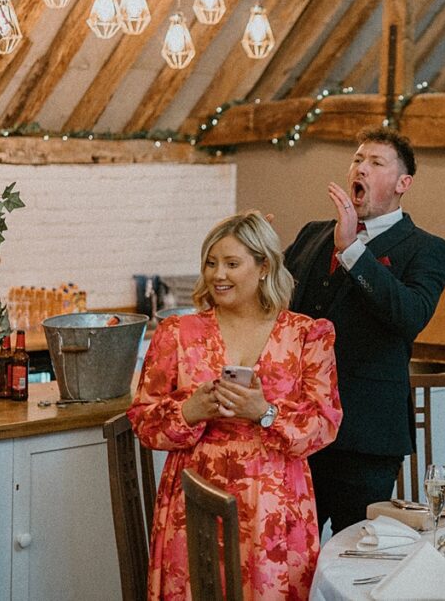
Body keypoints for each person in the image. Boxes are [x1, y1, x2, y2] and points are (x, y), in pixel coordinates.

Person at [128, 211, 342, 600]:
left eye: (231, 264)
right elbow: (143, 420)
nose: (218, 275)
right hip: (194, 499)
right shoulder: (177, 333)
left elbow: (324, 424)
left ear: (263, 267)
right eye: (211, 263)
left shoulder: (307, 334)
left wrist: (265, 412)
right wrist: (190, 411)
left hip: (275, 508)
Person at [283, 127, 445, 534]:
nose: (361, 167)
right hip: (297, 428)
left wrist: (353, 251)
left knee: (356, 557)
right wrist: (255, 258)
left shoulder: (427, 248)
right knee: (287, 552)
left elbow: (409, 316)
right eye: (358, 159)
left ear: (402, 183)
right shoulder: (311, 234)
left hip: (367, 439)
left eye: (376, 163)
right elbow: (278, 308)